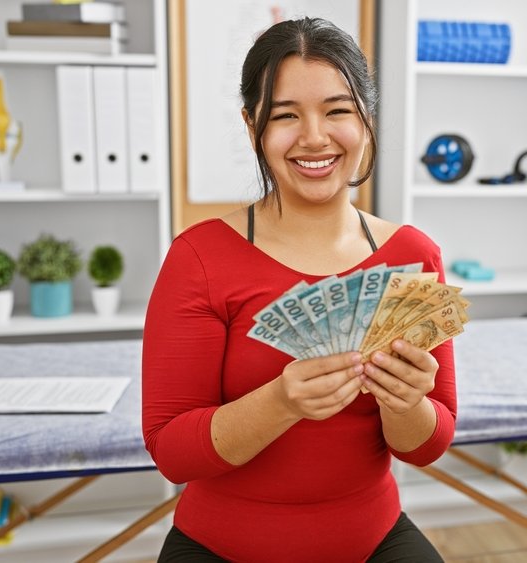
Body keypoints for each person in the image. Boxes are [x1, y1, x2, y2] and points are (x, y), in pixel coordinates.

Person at [142, 17, 456, 562]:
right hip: (220, 547)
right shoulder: (198, 258)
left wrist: (406, 403)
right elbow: (172, 453)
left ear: (366, 119)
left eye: (338, 110)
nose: (315, 137)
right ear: (252, 126)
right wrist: (282, 402)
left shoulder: (413, 257)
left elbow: (426, 445)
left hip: (373, 540)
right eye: (286, 115)